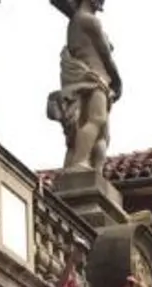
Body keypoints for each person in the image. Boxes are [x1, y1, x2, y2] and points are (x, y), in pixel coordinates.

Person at [48, 0, 121, 173]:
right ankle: (79, 162)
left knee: (101, 134)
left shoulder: (76, 21)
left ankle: (93, 169)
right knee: (96, 120)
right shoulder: (89, 20)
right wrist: (118, 80)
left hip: (94, 81)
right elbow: (106, 55)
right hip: (95, 79)